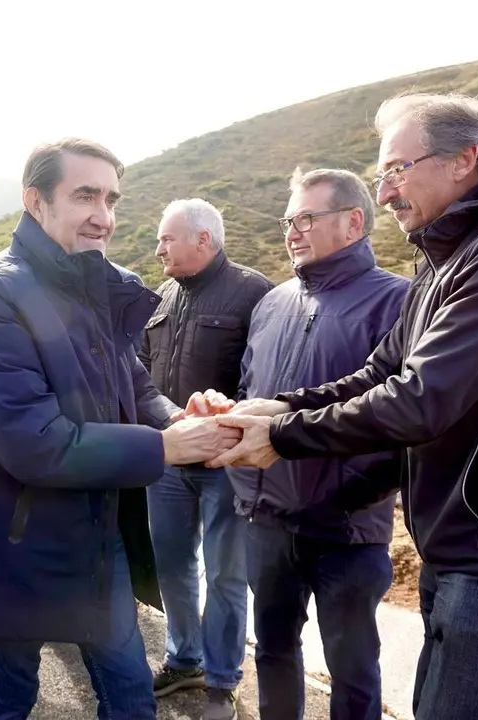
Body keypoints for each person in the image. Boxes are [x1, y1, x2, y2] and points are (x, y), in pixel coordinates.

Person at [211, 92, 478, 720]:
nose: (387, 192)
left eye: (396, 170)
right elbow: (378, 373)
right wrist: (271, 406)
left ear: (465, 159)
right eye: (380, 176)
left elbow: (420, 400)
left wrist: (281, 436)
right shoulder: (447, 260)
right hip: (465, 544)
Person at [0, 138, 242, 720]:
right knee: (10, 695)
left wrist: (179, 418)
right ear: (36, 202)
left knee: (130, 700)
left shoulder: (93, 284)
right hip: (18, 542)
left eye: (111, 198)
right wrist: (164, 447)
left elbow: (135, 384)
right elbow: (34, 441)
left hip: (97, 537)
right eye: (84, 195)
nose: (103, 215)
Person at [227, 168, 408, 720]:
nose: (293, 231)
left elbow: (406, 424)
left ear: (354, 221)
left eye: (307, 218)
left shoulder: (398, 303)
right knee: (274, 652)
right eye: (289, 220)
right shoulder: (271, 302)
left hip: (346, 532)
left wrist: (350, 496)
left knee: (353, 668)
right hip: (265, 520)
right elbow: (249, 391)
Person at [139, 198, 272, 719]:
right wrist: (172, 420)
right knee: (172, 565)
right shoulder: (162, 296)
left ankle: (222, 679)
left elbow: (263, 375)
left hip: (225, 460)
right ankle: (183, 658)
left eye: (167, 239)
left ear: (203, 239)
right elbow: (143, 371)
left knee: (224, 573)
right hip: (169, 456)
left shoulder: (253, 291)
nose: (158, 249)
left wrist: (225, 419)